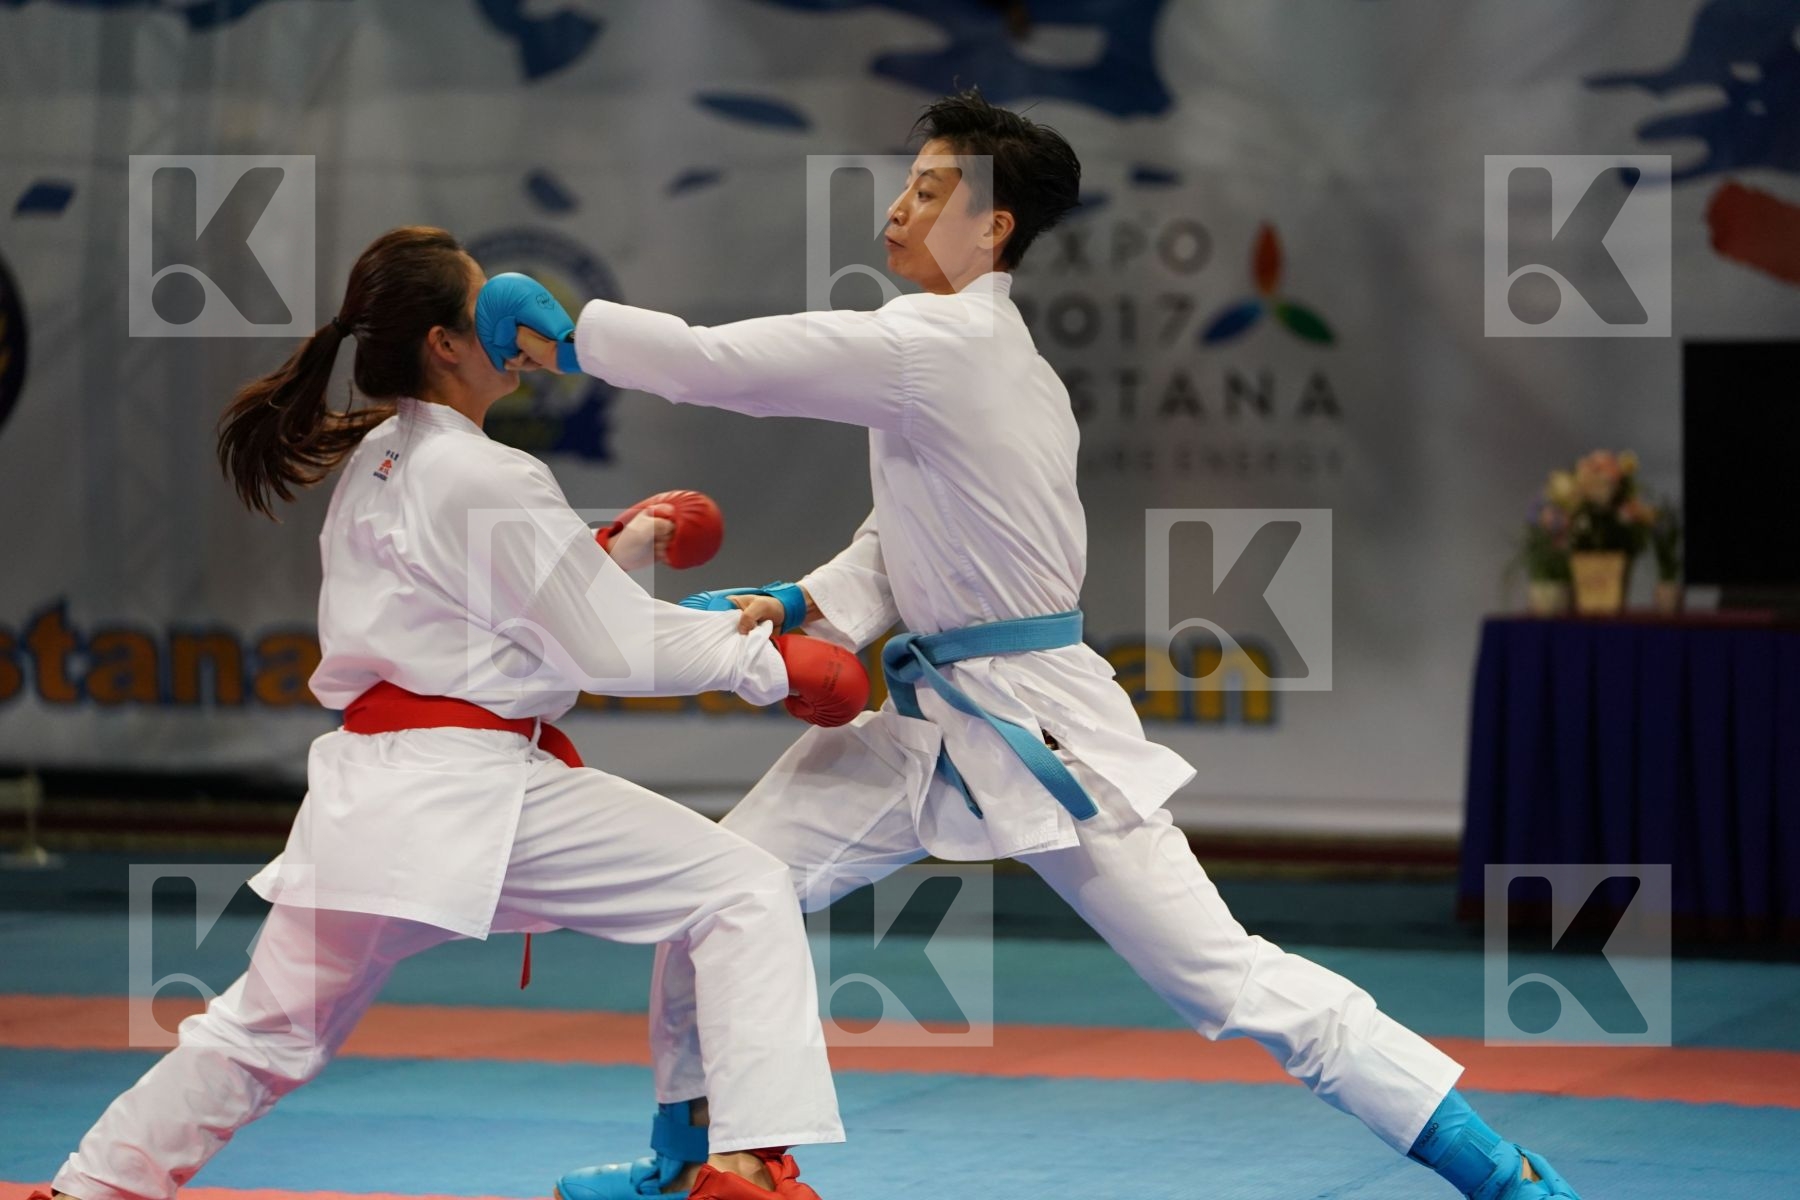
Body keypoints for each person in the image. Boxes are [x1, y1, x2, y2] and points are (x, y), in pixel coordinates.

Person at [486, 91, 1583, 1200]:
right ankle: (689, 1166)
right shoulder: (977, 360)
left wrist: (575, 336)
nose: (899, 212)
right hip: (924, 725)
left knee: (1224, 980)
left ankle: (1502, 1172)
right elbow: (901, 537)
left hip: (1038, 723)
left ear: (993, 226)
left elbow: (724, 367)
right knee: (715, 890)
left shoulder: (941, 342)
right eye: (903, 188)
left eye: (929, 192)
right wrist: (799, 599)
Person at [35, 226, 864, 1200]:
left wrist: (623, 544)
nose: (511, 334)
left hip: (374, 796)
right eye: (487, 312)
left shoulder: (384, 460)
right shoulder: (486, 474)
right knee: (741, 892)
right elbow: (604, 645)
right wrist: (766, 663)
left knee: (263, 1034)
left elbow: (499, 620)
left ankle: (91, 1188)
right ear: (446, 341)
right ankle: (740, 1170)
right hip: (473, 792)